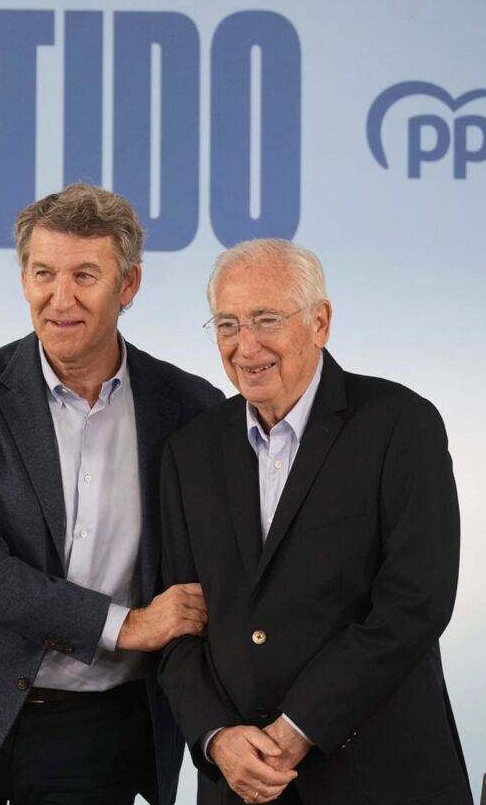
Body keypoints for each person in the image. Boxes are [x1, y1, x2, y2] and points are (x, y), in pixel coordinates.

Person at [0, 184, 224, 805]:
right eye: (43, 273)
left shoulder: (190, 409)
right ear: (24, 278)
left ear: (128, 286)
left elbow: (211, 569)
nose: (61, 298)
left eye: (86, 275)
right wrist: (124, 625)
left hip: (99, 738)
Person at [158, 239, 472, 804]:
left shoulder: (402, 425)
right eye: (227, 324)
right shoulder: (190, 451)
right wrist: (217, 738)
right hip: (241, 785)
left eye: (266, 319)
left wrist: (295, 729)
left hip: (381, 778)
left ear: (320, 321)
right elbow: (179, 621)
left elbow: (415, 604)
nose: (244, 345)